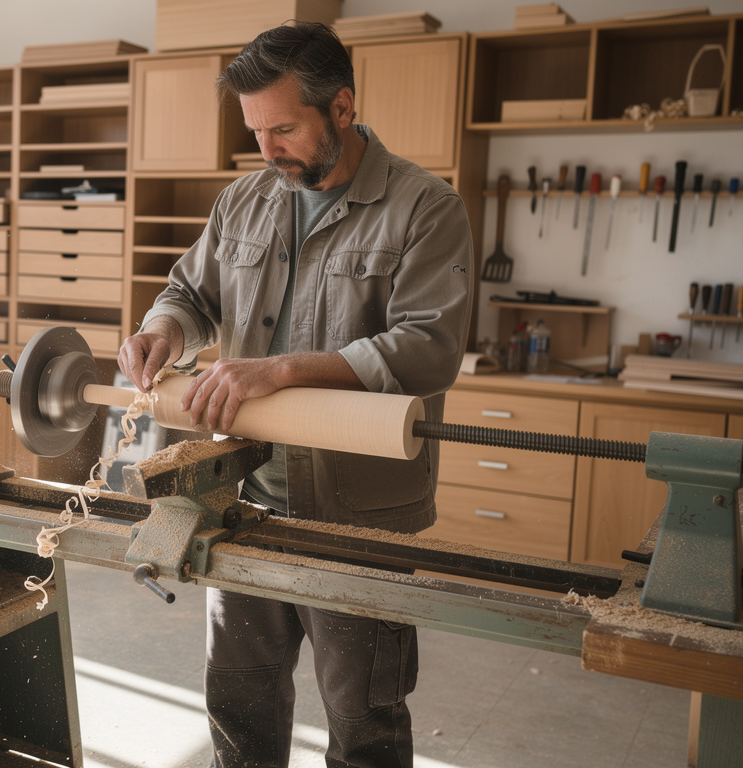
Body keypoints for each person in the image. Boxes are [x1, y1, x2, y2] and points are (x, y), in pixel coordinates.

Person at [116, 21, 474, 768]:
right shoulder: (245, 200)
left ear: (341, 108)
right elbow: (189, 292)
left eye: (284, 128)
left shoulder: (426, 209)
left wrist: (282, 370)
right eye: (256, 131)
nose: (267, 149)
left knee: (362, 719)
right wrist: (163, 331)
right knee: (240, 705)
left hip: (357, 518)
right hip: (242, 497)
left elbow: (429, 347)